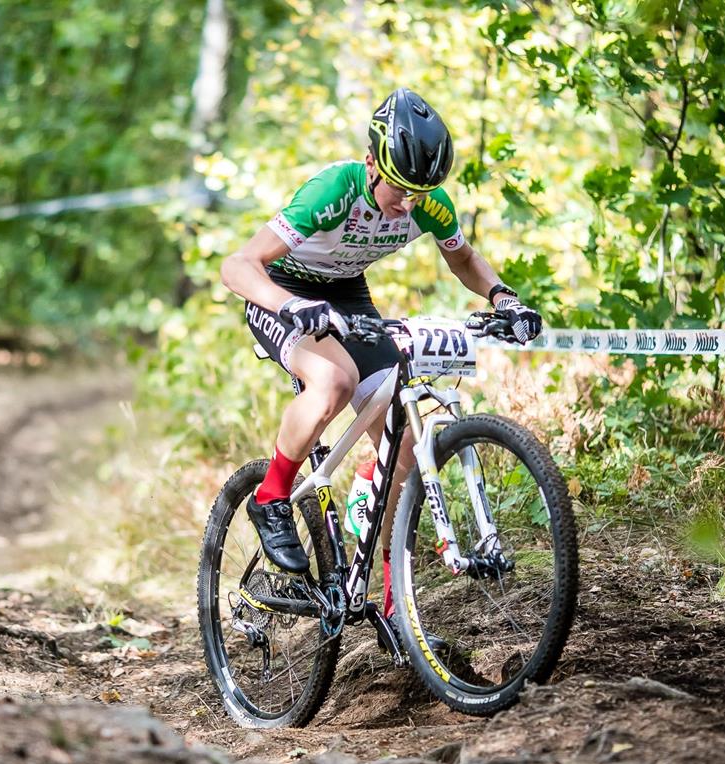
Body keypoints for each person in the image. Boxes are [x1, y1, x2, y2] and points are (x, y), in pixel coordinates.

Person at [220, 87, 543, 619]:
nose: (409, 204)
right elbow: (237, 265)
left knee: (405, 444)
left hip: (348, 296)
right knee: (334, 381)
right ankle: (270, 498)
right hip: (282, 290)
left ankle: (395, 605)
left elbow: (464, 259)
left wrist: (503, 297)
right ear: (372, 163)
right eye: (400, 189)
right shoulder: (334, 190)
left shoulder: (429, 202)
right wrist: (289, 305)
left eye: (421, 192)